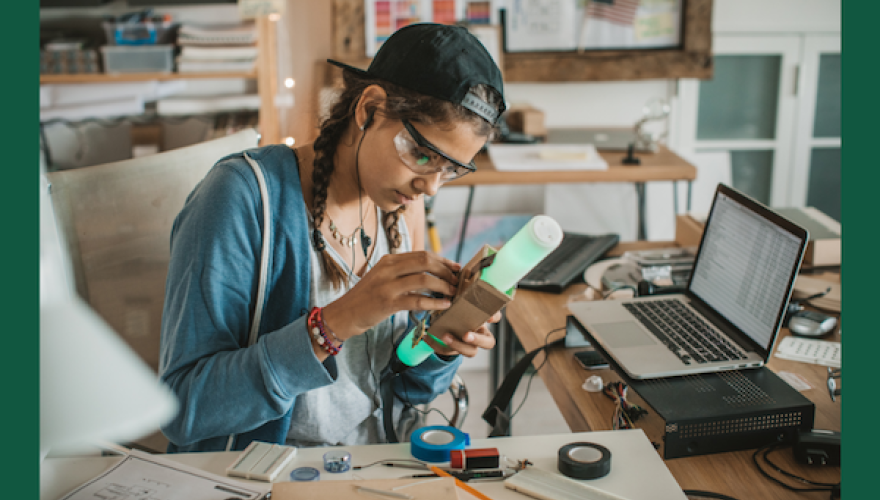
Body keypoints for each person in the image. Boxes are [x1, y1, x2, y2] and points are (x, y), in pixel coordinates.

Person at [158, 23, 507, 452]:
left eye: (450, 169)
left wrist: (438, 344)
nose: (431, 187)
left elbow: (404, 391)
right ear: (370, 109)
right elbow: (182, 410)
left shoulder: (400, 209)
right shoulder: (240, 197)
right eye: (422, 154)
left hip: (375, 463)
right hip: (262, 476)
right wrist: (336, 323)